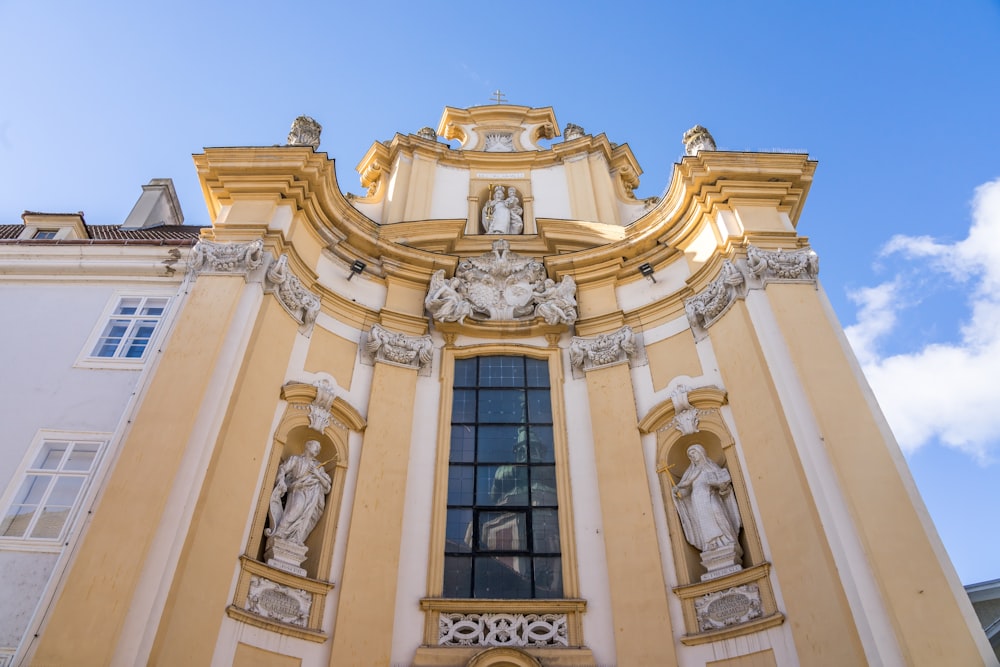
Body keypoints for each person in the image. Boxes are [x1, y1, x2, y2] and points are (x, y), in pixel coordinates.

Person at [672, 444, 741, 553]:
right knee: (704, 522)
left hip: (710, 496)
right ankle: (711, 545)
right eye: (690, 455)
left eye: (693, 453)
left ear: (700, 452)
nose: (692, 456)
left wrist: (722, 487)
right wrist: (677, 491)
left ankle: (728, 540)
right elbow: (685, 488)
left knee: (718, 515)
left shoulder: (711, 466)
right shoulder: (691, 471)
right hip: (698, 500)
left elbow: (723, 485)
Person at [266, 440, 332, 545]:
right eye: (315, 446)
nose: (317, 450)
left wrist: (317, 474)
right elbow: (283, 468)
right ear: (308, 446)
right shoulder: (296, 459)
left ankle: (296, 539)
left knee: (306, 517)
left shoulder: (318, 466)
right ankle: (279, 533)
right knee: (296, 508)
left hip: (312, 495)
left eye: (318, 449)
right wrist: (281, 481)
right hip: (297, 489)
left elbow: (327, 487)